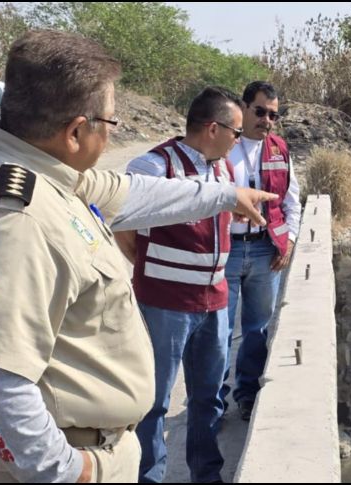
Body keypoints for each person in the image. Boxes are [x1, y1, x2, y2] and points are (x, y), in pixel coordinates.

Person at [0, 30, 275, 483]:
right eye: (111, 123)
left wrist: (225, 195)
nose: (111, 134)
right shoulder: (15, 218)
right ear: (75, 131)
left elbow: (130, 193)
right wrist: (70, 471)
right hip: (66, 457)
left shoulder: (37, 170)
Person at [114, 86, 242, 483]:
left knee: (208, 400)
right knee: (153, 402)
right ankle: (150, 477)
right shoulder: (154, 166)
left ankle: (207, 475)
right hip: (165, 304)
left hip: (215, 303)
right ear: (212, 128)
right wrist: (152, 267)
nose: (238, 141)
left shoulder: (222, 167)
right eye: (235, 132)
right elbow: (124, 224)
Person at [223, 81, 301, 421]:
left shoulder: (279, 150)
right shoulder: (223, 146)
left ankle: (247, 396)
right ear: (244, 108)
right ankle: (212, 403)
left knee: (256, 330)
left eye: (273, 115)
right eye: (260, 112)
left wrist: (291, 241)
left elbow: (291, 201)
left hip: (264, 251)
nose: (267, 120)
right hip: (224, 251)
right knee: (217, 331)